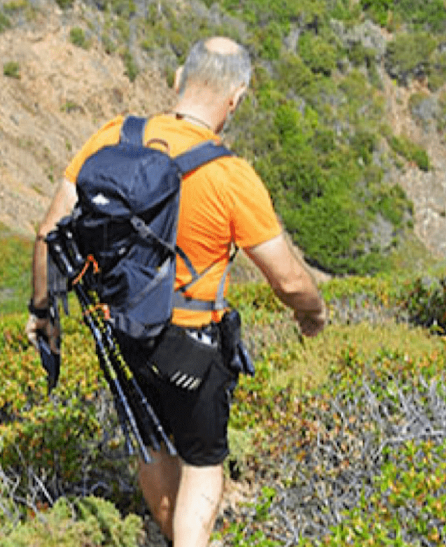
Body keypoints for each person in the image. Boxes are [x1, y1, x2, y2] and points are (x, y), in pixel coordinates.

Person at [25, 37, 327, 547]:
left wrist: (42, 312)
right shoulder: (229, 174)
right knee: (205, 460)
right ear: (236, 98)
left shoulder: (112, 136)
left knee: (150, 441)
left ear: (177, 79)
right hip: (192, 342)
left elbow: (47, 233)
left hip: (120, 330)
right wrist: (313, 317)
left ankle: (170, 534)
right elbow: (290, 280)